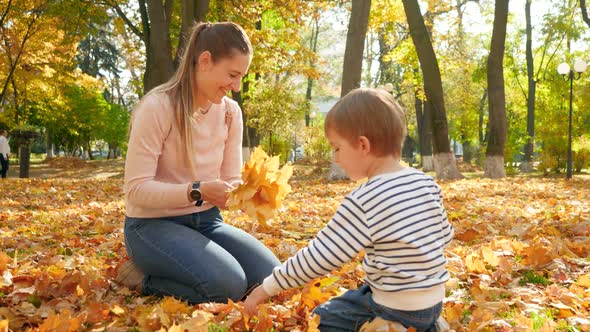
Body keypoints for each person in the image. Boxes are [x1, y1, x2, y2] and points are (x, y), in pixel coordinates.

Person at [244, 88, 454, 331]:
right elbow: (444, 236)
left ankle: (388, 326)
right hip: (433, 303)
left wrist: (266, 288)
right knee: (360, 295)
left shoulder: (366, 198)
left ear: (363, 145)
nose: (336, 158)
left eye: (337, 148)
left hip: (393, 306)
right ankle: (429, 325)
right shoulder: (426, 183)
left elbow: (319, 256)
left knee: (323, 317)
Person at [115, 22, 281, 304]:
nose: (236, 86)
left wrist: (250, 193)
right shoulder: (158, 107)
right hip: (151, 227)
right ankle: (141, 277)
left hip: (206, 222)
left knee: (271, 277)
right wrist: (198, 190)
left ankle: (198, 267)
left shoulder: (230, 113)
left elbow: (229, 180)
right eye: (232, 75)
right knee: (228, 286)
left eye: (241, 77)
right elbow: (136, 190)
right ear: (205, 61)